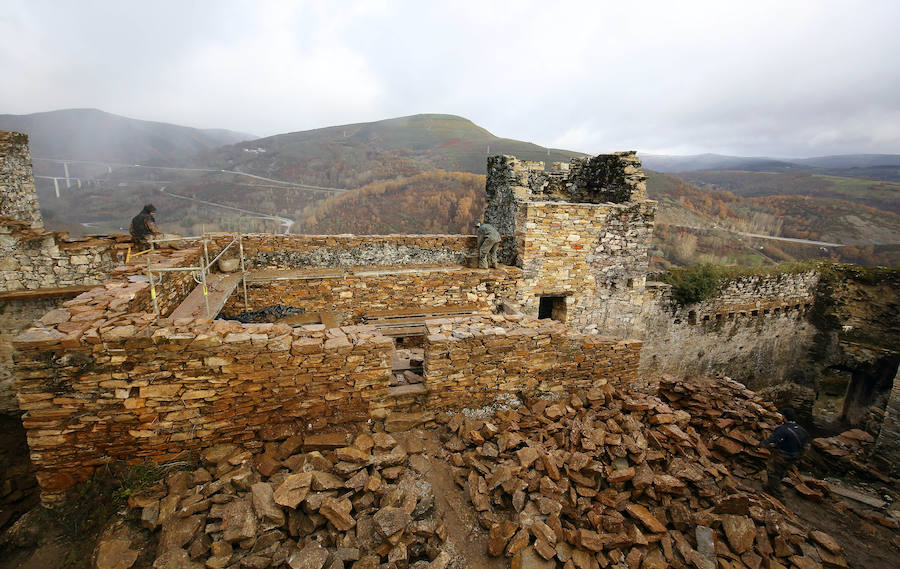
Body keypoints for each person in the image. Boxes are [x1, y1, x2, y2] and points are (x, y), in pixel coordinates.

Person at [760, 407, 810, 499]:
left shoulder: (782, 429)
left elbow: (770, 440)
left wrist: (760, 444)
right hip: (794, 457)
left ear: (784, 417)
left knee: (772, 473)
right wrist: (800, 456)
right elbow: (806, 446)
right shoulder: (802, 430)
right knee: (781, 472)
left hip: (782, 456)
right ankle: (771, 486)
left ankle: (778, 496)